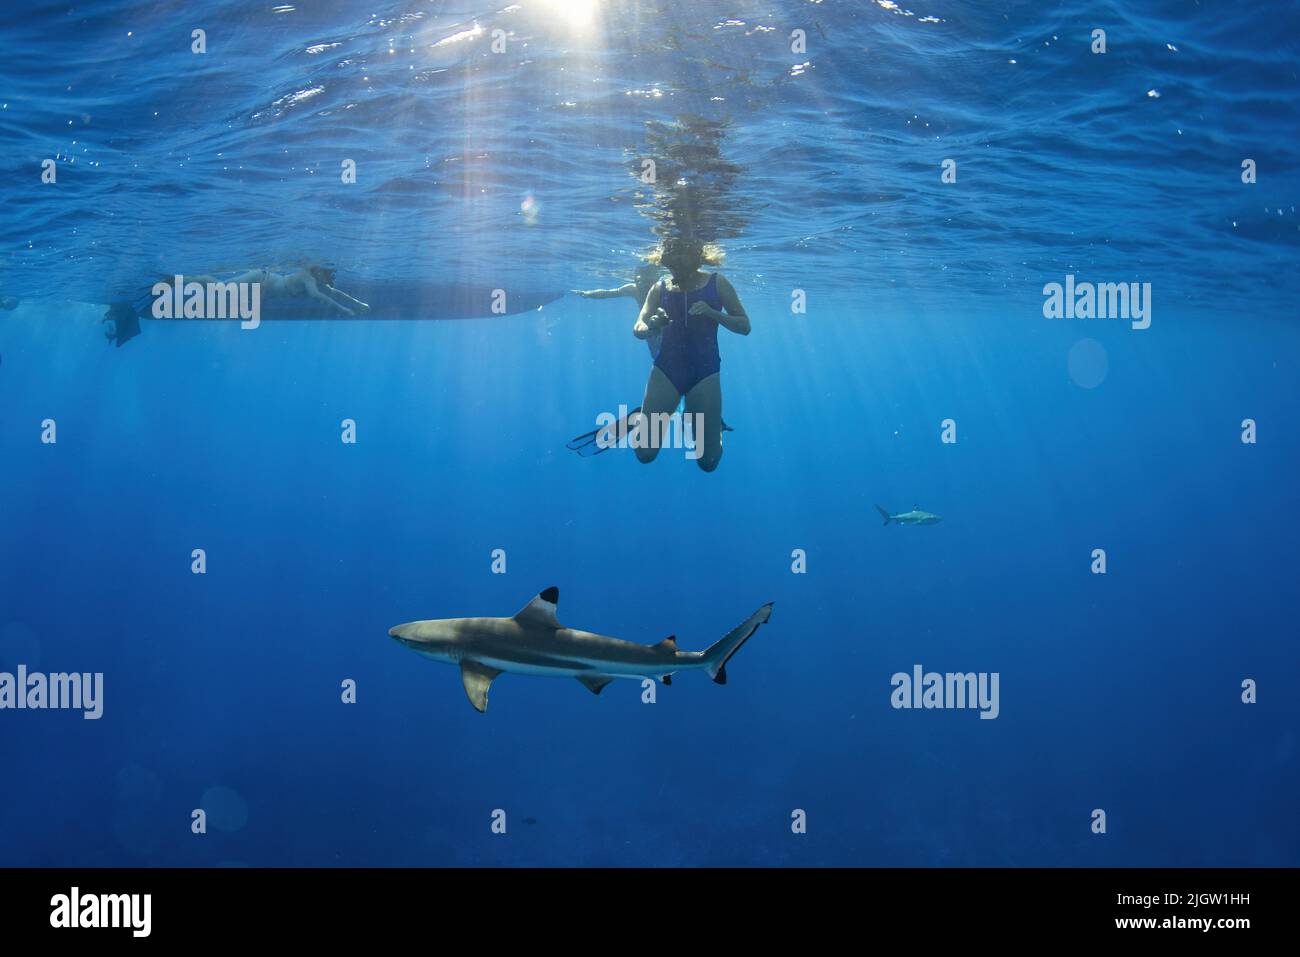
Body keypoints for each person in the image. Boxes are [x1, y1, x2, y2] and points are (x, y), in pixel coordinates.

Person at [630, 237, 749, 472]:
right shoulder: (659, 287)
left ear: (696, 259)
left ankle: (716, 429)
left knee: (708, 462)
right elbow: (637, 329)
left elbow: (744, 326)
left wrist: (714, 313)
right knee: (644, 454)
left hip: (704, 373)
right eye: (671, 263)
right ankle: (648, 418)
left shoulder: (717, 283)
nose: (675, 269)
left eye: (680, 262)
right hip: (666, 370)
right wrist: (652, 325)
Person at [187, 266, 370, 316]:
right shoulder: (308, 276)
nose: (330, 282)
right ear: (322, 272)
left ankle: (190, 280)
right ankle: (188, 279)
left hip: (265, 286)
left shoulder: (318, 280)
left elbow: (336, 293)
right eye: (330, 277)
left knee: (222, 293)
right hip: (261, 278)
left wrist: (358, 303)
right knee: (221, 290)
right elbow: (317, 296)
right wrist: (343, 310)